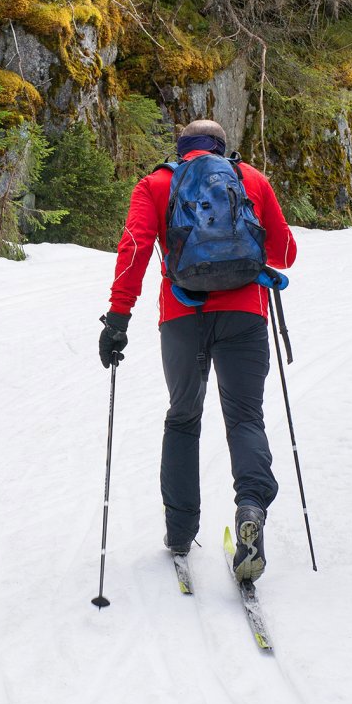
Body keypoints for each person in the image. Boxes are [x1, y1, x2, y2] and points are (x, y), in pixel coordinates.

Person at [97, 118, 297, 584]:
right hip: (246, 314)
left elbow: (135, 248)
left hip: (181, 317)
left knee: (183, 417)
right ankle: (251, 507)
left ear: (181, 147)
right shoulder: (251, 180)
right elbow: (285, 252)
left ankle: (181, 533)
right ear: (222, 149)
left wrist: (118, 317)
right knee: (245, 418)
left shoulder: (156, 183)